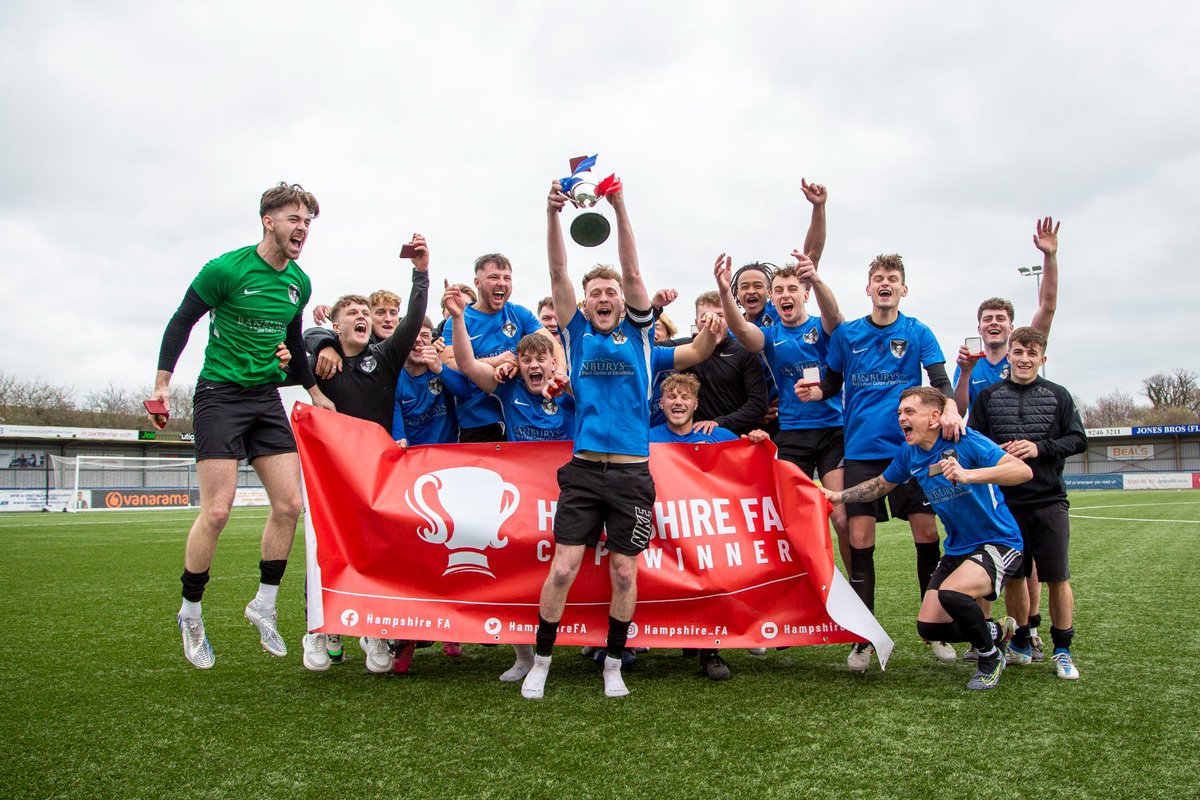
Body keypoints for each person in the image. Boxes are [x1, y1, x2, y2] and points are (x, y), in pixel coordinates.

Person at [151, 181, 334, 670]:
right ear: (268, 220)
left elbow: (294, 345)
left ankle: (264, 605)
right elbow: (181, 322)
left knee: (291, 504)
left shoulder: (299, 282)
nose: (302, 229)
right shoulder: (225, 270)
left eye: (308, 222)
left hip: (264, 398)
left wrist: (315, 392)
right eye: (295, 219)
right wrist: (162, 384)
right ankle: (191, 614)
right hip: (219, 395)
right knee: (217, 511)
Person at [521, 178, 656, 700]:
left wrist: (621, 206)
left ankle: (614, 663)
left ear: (623, 300)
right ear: (585, 302)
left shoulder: (641, 332)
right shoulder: (576, 333)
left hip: (630, 473)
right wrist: (553, 213)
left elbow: (634, 270)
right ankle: (542, 660)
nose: (603, 298)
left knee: (624, 573)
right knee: (564, 568)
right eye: (595, 293)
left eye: (610, 293)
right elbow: (558, 271)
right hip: (582, 470)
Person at [823, 387, 1032, 690]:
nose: (901, 418)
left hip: (998, 541)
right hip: (959, 548)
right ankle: (996, 632)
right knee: (931, 625)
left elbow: (1022, 470)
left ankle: (989, 656)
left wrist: (967, 475)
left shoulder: (965, 440)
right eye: (899, 413)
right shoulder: (909, 453)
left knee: (952, 593)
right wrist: (839, 496)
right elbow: (882, 484)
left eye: (909, 412)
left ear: (935, 417)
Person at [814, 253, 964, 670]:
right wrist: (811, 391)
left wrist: (949, 408)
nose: (885, 284)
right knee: (860, 542)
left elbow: (940, 380)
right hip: (861, 451)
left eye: (892, 278)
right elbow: (830, 382)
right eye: (878, 278)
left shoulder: (917, 331)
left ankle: (935, 629)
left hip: (913, 451)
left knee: (926, 534)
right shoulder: (847, 335)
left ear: (903, 289)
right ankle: (864, 637)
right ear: (868, 289)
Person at [298, 236, 430, 674]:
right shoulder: (321, 362)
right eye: (349, 313)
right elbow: (297, 337)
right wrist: (318, 342)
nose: (359, 317)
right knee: (322, 550)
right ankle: (318, 630)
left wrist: (420, 274)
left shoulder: (385, 357)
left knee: (371, 551)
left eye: (363, 313)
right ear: (335, 326)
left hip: (373, 472)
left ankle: (373, 632)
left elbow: (411, 323)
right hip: (327, 474)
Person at [953, 217, 1061, 660]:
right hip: (988, 471)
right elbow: (957, 410)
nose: (994, 324)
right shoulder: (973, 365)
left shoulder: (1022, 356)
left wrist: (1049, 257)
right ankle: (999, 632)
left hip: (1026, 468)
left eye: (1001, 318)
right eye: (987, 319)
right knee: (998, 553)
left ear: (1012, 327)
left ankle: (1028, 629)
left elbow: (1049, 307)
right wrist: (961, 372)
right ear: (979, 327)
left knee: (1030, 559)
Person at [968, 327, 1087, 680]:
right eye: (1018, 352)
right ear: (1009, 355)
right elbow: (975, 441)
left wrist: (1040, 448)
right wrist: (995, 454)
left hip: (1049, 500)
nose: (1024, 359)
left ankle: (1062, 650)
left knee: (1057, 577)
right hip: (1006, 504)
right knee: (1016, 578)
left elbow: (1078, 439)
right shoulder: (989, 397)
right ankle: (1020, 640)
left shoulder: (1058, 395)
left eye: (1032, 354)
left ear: (1042, 359)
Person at [717, 255, 850, 570]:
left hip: (833, 431)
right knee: (793, 520)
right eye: (779, 290)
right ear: (772, 299)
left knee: (842, 518)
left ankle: (858, 596)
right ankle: (811, 588)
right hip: (792, 434)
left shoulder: (823, 327)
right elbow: (742, 331)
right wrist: (724, 291)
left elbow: (836, 316)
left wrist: (815, 278)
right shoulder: (770, 335)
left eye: (793, 288)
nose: (786, 294)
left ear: (804, 294)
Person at [649, 372, 771, 681]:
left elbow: (752, 464)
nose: (678, 402)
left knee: (715, 570)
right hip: (663, 530)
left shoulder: (719, 436)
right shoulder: (648, 438)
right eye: (672, 397)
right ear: (661, 403)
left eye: (685, 397)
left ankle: (711, 650)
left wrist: (758, 441)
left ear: (696, 403)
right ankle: (630, 641)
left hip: (706, 530)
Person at [441, 255, 563, 442]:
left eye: (507, 278)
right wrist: (494, 362)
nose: (502, 283)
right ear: (477, 282)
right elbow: (451, 363)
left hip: (520, 416)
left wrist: (558, 376)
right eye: (494, 277)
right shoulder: (458, 320)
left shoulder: (518, 313)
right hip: (478, 422)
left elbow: (553, 347)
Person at [669, 292, 769, 437]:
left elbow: (759, 404)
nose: (712, 320)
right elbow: (645, 347)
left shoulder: (744, 351)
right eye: (705, 316)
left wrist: (718, 423)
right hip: (693, 440)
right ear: (696, 322)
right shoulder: (683, 349)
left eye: (719, 315)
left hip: (735, 438)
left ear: (729, 320)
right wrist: (656, 307)